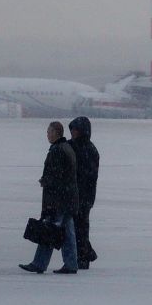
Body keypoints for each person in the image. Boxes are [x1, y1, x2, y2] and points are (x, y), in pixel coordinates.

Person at [21, 120, 80, 274]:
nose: (47, 134)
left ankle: (40, 263)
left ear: (56, 133)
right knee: (66, 233)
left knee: (49, 231)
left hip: (60, 200)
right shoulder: (66, 148)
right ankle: (71, 263)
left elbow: (56, 178)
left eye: (49, 131)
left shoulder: (57, 150)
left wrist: (47, 186)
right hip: (68, 199)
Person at [67, 115, 97, 269]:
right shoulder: (73, 146)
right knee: (78, 226)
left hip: (83, 195)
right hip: (78, 194)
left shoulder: (88, 149)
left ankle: (84, 255)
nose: (73, 133)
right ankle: (87, 252)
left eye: (75, 130)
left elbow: (88, 175)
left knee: (80, 227)